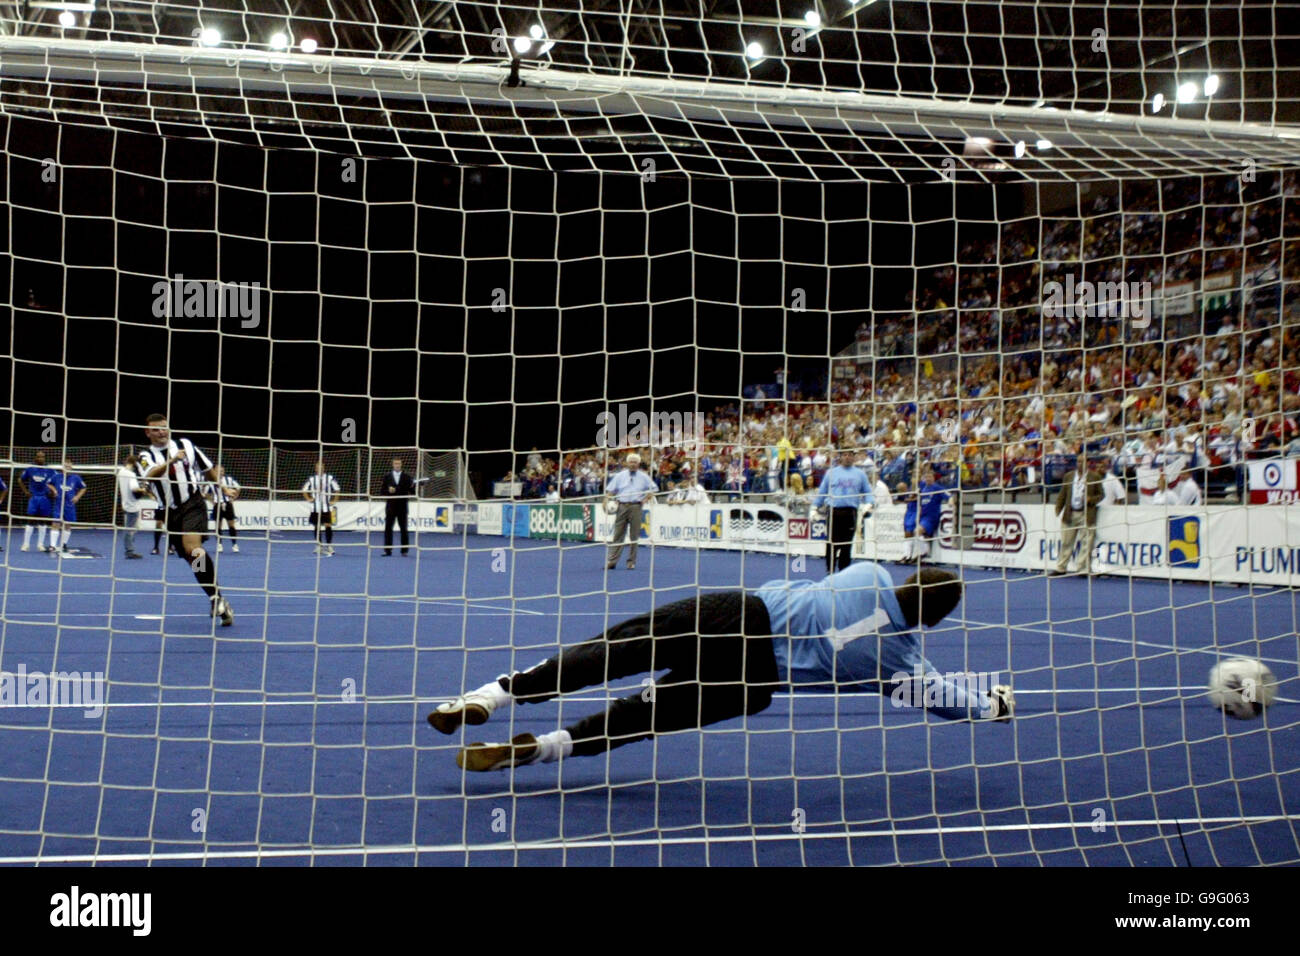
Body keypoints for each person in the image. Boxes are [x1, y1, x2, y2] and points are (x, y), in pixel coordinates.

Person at [428, 562, 1014, 771]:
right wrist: (993, 704)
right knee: (646, 714)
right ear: (934, 621)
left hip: (737, 612)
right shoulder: (898, 664)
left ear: (909, 578)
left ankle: (493, 695)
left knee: (614, 650)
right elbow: (947, 701)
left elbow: (860, 607)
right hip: (752, 680)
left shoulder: (867, 574)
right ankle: (546, 749)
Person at [137, 414, 234, 625]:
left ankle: (215, 598)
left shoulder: (185, 444)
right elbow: (150, 475)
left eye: (164, 428)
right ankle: (216, 597)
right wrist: (172, 461)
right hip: (169, 512)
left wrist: (223, 489)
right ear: (148, 432)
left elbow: (207, 469)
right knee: (192, 559)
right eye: (156, 429)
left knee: (193, 549)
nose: (161, 432)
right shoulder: (144, 456)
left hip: (192, 504)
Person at [813, 447, 873, 573]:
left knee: (847, 545)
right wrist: (814, 507)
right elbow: (822, 491)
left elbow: (868, 491)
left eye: (850, 455)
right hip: (834, 512)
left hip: (850, 512)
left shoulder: (860, 474)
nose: (847, 457)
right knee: (831, 543)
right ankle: (830, 571)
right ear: (840, 457)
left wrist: (869, 503)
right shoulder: (831, 473)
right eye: (844, 455)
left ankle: (843, 572)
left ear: (854, 457)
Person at [1051, 453, 1104, 576]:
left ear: (1088, 463)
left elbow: (1101, 495)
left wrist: (1091, 499)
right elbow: (1063, 493)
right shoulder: (1068, 476)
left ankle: (1082, 569)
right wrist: (1058, 508)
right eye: (1078, 461)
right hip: (1070, 513)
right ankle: (1061, 567)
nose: (1079, 464)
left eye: (1082, 462)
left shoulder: (1095, 477)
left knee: (1086, 543)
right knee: (1066, 542)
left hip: (1086, 513)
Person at [603, 452, 656, 570]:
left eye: (635, 462)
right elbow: (611, 490)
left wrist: (645, 499)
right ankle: (612, 561)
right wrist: (605, 501)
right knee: (618, 535)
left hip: (636, 507)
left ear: (638, 464)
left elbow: (653, 489)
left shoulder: (644, 477)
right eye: (631, 462)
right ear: (627, 463)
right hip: (621, 506)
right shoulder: (619, 476)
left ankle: (631, 562)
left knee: (634, 536)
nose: (633, 464)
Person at [903, 465, 949, 562]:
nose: (928, 479)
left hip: (931, 517)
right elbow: (920, 502)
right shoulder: (924, 489)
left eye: (930, 477)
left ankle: (923, 552)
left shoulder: (937, 488)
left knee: (917, 531)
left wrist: (951, 501)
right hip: (923, 516)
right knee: (917, 533)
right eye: (926, 477)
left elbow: (948, 495)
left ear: (934, 478)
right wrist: (918, 515)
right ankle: (914, 554)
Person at [19, 450, 58, 552]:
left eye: (43, 457)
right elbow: (20, 480)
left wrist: (53, 491)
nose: (41, 458)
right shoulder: (30, 469)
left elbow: (58, 479)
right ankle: (25, 544)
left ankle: (40, 544)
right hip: (34, 498)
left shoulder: (50, 470)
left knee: (43, 521)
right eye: (39, 457)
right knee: (30, 520)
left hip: (45, 498)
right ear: (35, 458)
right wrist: (26, 491)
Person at [116, 453, 151, 559]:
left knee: (131, 528)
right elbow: (134, 489)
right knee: (130, 530)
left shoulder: (121, 472)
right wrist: (144, 489)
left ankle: (130, 548)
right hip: (132, 505)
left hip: (125, 503)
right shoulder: (131, 474)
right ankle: (129, 551)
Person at [303, 461, 341, 555]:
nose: (320, 469)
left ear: (324, 468)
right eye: (318, 467)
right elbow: (304, 489)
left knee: (328, 525)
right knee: (317, 526)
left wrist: (334, 500)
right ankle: (318, 545)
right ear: (315, 469)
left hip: (326, 507)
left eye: (321, 467)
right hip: (315, 507)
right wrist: (308, 498)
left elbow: (337, 489)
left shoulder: (330, 478)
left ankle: (329, 546)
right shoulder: (311, 479)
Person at [379, 458, 414, 556]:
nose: (397, 465)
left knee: (404, 529)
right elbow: (382, 492)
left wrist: (416, 486)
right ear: (392, 464)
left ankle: (404, 551)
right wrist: (388, 490)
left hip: (402, 507)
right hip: (391, 507)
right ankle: (387, 550)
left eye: (399, 463)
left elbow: (412, 492)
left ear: (401, 464)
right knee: (388, 528)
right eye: (395, 463)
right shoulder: (387, 477)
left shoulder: (407, 477)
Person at [48, 461, 86, 554]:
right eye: (65, 466)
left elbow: (83, 487)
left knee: (67, 525)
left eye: (69, 466)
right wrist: (54, 490)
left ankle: (63, 544)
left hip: (69, 505)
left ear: (71, 467)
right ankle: (52, 545)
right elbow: (48, 483)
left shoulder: (76, 478)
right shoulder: (56, 476)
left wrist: (77, 497)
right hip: (58, 504)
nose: (67, 468)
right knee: (55, 523)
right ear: (62, 467)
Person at [206, 466, 241, 553]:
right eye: (218, 471)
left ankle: (234, 544)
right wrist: (212, 501)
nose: (220, 472)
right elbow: (206, 493)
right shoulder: (211, 482)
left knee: (231, 525)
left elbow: (238, 487)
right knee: (218, 526)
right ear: (214, 471)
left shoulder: (228, 480)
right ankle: (219, 544)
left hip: (228, 504)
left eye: (222, 471)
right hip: (217, 505)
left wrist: (234, 498)